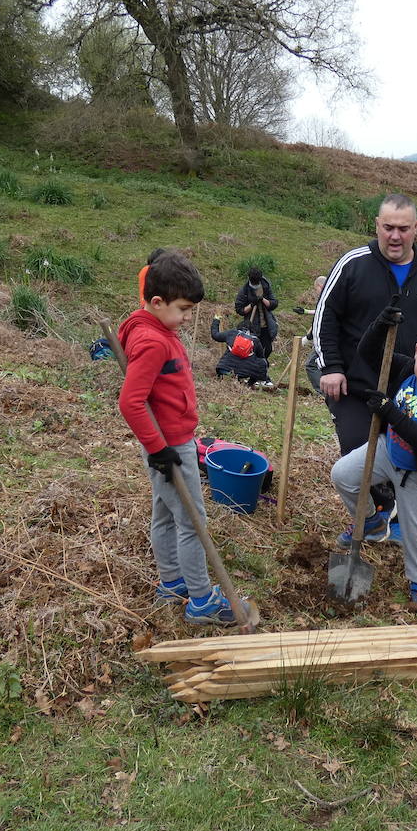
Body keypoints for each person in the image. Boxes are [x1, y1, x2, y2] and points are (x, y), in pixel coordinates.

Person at [313, 194, 417, 538]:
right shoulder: (353, 264)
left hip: (413, 388)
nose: (395, 236)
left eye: (403, 228)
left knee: (412, 451)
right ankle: (377, 513)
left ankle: (400, 516)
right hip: (356, 385)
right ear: (377, 226)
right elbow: (325, 317)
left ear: (416, 229)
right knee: (358, 450)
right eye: (388, 227)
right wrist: (331, 367)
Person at [118, 253, 247, 626]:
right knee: (192, 521)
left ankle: (172, 581)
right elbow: (130, 401)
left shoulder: (147, 326)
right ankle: (202, 600)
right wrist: (160, 450)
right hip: (170, 446)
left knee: (164, 513)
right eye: (184, 309)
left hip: (166, 442)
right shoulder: (154, 340)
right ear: (157, 302)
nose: (189, 318)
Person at [330, 306, 417, 615]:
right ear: (416, 352)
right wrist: (380, 324)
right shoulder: (408, 370)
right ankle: (371, 521)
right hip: (388, 450)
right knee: (343, 475)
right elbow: (370, 353)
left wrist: (388, 410)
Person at [210, 314, 273, 388]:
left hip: (223, 370)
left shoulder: (232, 333)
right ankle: (253, 383)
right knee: (261, 361)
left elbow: (215, 335)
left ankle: (225, 377)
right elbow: (262, 360)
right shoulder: (255, 340)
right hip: (243, 374)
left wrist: (216, 321)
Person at [234, 266, 278, 357]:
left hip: (266, 325)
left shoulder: (265, 286)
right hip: (252, 326)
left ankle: (263, 366)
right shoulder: (245, 290)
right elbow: (239, 309)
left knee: (267, 349)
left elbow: (274, 303)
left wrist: (262, 299)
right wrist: (252, 304)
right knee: (254, 351)